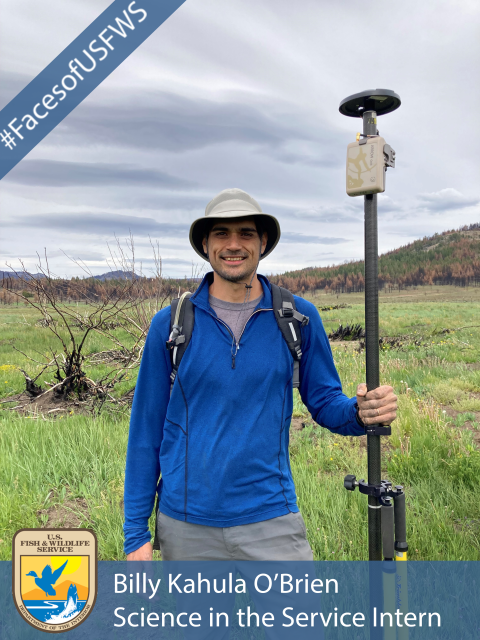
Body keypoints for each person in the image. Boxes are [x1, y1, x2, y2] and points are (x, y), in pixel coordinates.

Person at [123, 188, 397, 561]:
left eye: (246, 234)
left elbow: (325, 402)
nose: (233, 244)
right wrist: (135, 531)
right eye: (221, 233)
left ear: (263, 242)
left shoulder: (297, 318)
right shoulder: (170, 326)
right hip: (187, 525)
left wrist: (360, 412)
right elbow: (145, 431)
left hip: (271, 516)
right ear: (205, 244)